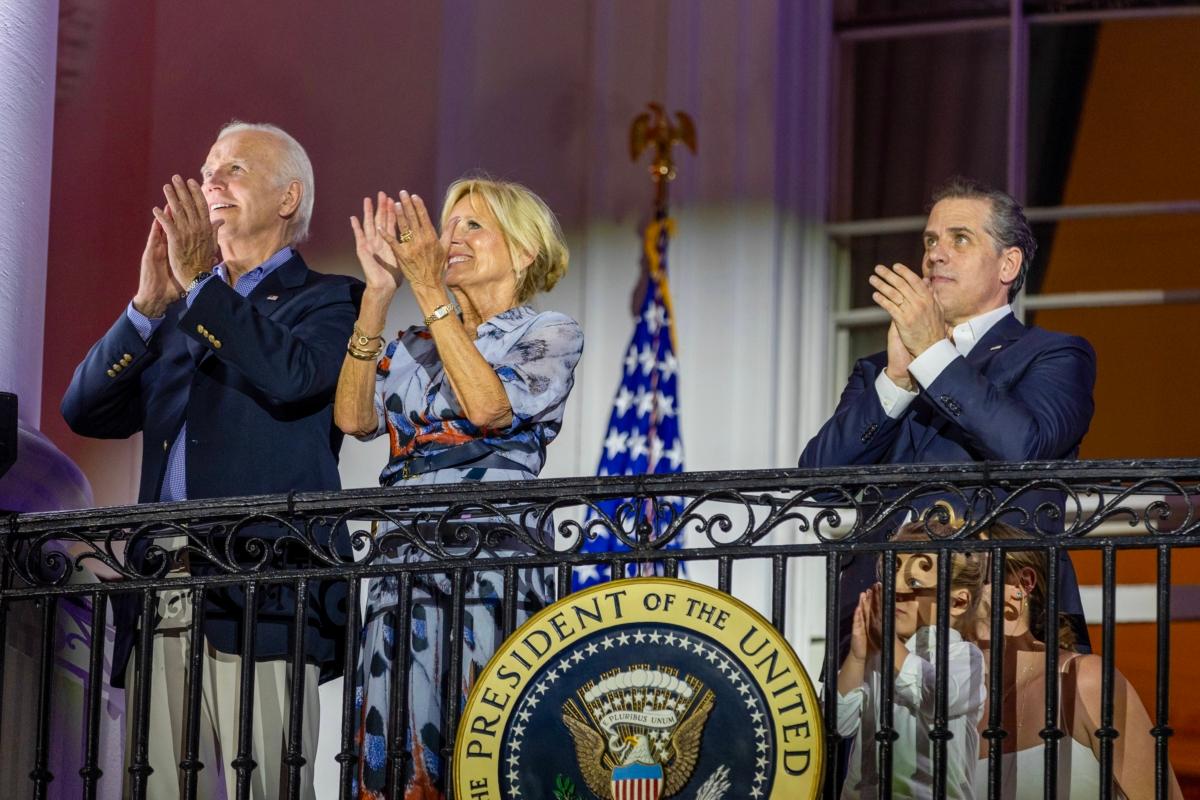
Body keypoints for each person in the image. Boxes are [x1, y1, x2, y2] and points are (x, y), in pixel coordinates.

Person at [61, 122, 361, 799]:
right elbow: (84, 411)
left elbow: (292, 376)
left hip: (265, 588)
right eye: (206, 170)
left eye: (233, 169)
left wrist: (200, 284)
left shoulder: (330, 300)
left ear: (288, 200)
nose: (211, 182)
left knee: (267, 788)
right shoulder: (175, 314)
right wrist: (144, 308)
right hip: (160, 585)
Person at [333, 179, 583, 798]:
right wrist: (378, 297)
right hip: (401, 564)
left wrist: (429, 291)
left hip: (491, 563)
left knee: (484, 740)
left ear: (524, 251)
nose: (453, 240)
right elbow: (355, 419)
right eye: (452, 227)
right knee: (398, 743)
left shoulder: (549, 332)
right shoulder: (413, 343)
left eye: (474, 226)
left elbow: (490, 409)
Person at [799, 176, 1096, 655]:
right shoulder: (878, 369)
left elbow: (1026, 449)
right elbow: (818, 482)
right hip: (877, 630)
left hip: (996, 621)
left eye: (960, 239)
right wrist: (897, 381)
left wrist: (934, 355)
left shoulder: (1056, 355)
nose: (936, 254)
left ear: (1008, 264)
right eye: (930, 241)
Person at [973, 523, 1184, 799]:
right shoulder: (955, 703)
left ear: (1021, 584)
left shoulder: (1084, 679)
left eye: (971, 575)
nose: (955, 590)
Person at [837, 521, 987, 798]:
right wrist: (858, 657)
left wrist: (887, 642)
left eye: (914, 583)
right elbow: (838, 723)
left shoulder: (965, 656)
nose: (895, 593)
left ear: (958, 602)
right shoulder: (876, 655)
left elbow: (936, 699)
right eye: (890, 578)